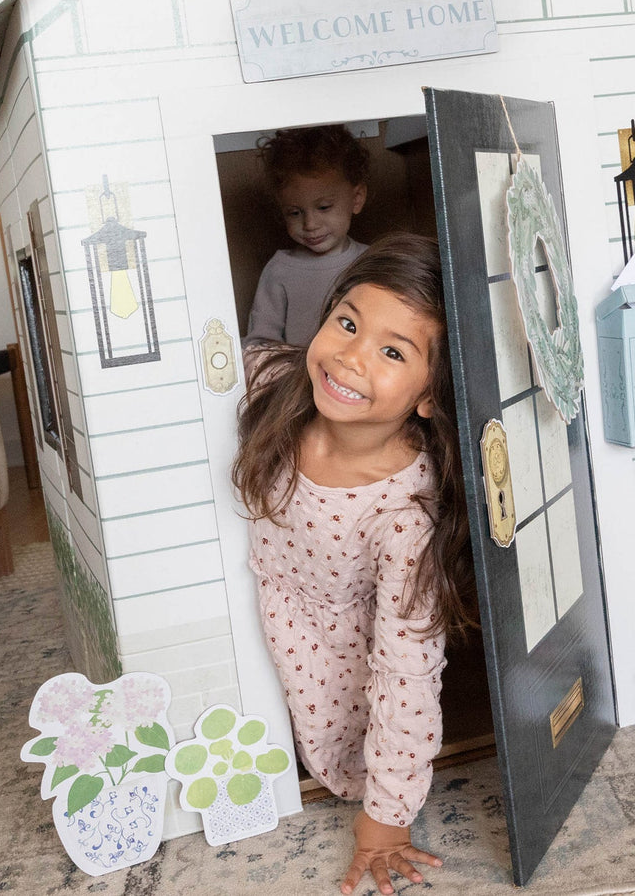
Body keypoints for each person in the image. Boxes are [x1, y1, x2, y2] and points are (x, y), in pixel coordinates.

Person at [232, 233, 473, 895]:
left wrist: (387, 819)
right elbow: (235, 356)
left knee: (335, 759)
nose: (350, 356)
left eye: (393, 352)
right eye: (346, 323)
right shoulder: (282, 387)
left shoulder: (405, 514)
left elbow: (406, 667)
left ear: (429, 396)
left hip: (340, 657)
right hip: (265, 609)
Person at [245, 123, 370, 348]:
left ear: (357, 198)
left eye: (323, 207)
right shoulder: (279, 270)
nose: (310, 225)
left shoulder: (374, 261)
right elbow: (260, 345)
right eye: (295, 213)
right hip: (295, 371)